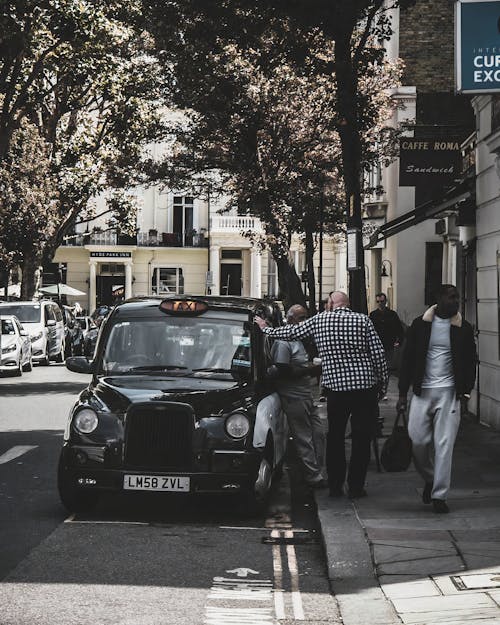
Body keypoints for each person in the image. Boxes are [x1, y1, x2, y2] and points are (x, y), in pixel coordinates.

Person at [255, 291, 388, 498]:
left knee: (335, 437)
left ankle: (335, 485)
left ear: (331, 304)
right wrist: (382, 385)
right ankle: (355, 486)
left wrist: (266, 329)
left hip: (337, 391)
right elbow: (378, 354)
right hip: (364, 389)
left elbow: (291, 332)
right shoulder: (363, 320)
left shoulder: (320, 320)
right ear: (348, 304)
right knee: (361, 439)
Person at [397, 284, 476, 514]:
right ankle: (431, 478)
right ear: (438, 299)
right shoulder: (420, 325)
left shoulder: (464, 328)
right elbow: (408, 359)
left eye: (457, 298)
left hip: (450, 393)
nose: (456, 302)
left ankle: (439, 495)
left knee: (444, 445)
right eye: (452, 298)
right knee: (417, 441)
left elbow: (471, 362)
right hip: (423, 392)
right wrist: (402, 393)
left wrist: (466, 392)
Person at [266, 304, 326, 487]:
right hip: (293, 397)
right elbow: (283, 370)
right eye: (301, 318)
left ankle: (316, 470)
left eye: (306, 317)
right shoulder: (283, 342)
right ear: (290, 319)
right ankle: (313, 476)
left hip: (306, 394)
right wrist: (310, 369)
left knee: (318, 434)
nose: (305, 322)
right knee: (303, 437)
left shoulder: (298, 339)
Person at [369, 292, 405, 374]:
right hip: (377, 343)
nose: (380, 303)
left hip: (389, 343)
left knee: (388, 364)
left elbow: (399, 329)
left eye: (382, 301)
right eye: (378, 302)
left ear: (385, 301)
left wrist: (399, 341)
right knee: (378, 364)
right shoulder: (373, 315)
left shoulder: (392, 314)